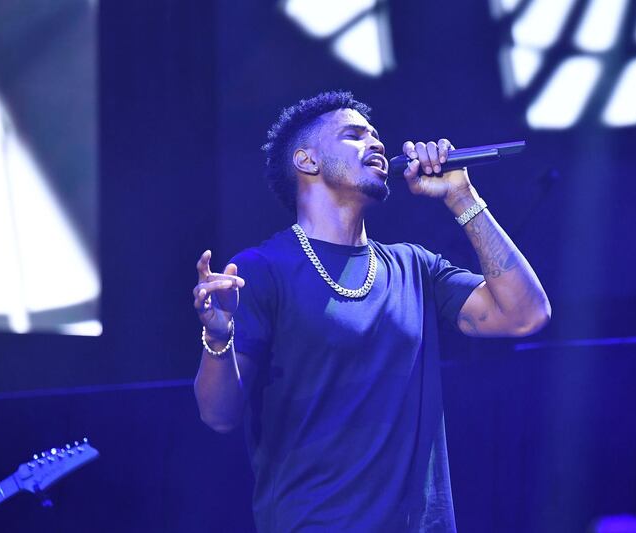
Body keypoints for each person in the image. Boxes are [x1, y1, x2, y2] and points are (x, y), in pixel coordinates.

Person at [192, 91, 550, 532]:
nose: (377, 144)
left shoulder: (414, 267)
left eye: (377, 135)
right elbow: (218, 415)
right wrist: (217, 337)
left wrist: (462, 197)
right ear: (307, 161)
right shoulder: (260, 270)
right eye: (354, 135)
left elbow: (526, 314)